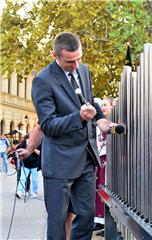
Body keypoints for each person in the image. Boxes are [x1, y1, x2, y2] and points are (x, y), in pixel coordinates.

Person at [31, 32, 123, 239]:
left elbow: (90, 101)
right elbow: (48, 125)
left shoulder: (84, 70)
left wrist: (101, 120)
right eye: (70, 61)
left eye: (79, 58)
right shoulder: (42, 80)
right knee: (58, 222)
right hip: (59, 163)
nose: (76, 65)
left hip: (85, 158)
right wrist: (79, 117)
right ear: (54, 54)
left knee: (87, 215)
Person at [93, 97, 113, 234]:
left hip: (108, 159)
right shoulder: (97, 122)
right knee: (98, 189)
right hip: (98, 158)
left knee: (105, 190)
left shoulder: (112, 121)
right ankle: (99, 219)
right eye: (102, 105)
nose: (103, 108)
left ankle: (106, 221)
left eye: (105, 105)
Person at [15, 134, 40, 199]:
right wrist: (18, 155)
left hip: (35, 165)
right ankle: (20, 192)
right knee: (22, 178)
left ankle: (34, 192)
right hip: (25, 164)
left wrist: (33, 149)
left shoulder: (37, 144)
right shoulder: (22, 145)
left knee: (35, 179)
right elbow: (16, 154)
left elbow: (40, 153)